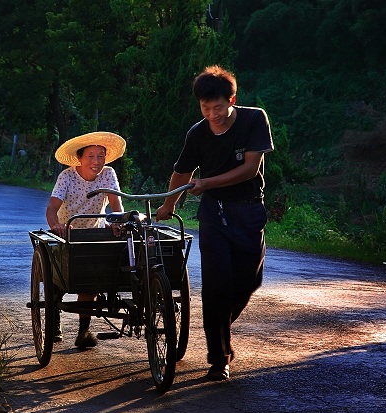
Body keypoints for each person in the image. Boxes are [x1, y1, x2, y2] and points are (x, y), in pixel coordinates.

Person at [155, 65, 274, 381]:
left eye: (218, 107)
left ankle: (220, 322)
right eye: (205, 108)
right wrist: (168, 204)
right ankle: (218, 358)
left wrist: (207, 183)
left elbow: (250, 169)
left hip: (248, 211)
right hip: (213, 217)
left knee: (249, 281)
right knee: (217, 285)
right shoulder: (197, 133)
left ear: (232, 98)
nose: (213, 114)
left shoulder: (253, 120)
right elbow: (182, 172)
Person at [46, 131, 126, 348]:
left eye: (101, 156)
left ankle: (83, 331)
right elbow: (52, 209)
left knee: (90, 281)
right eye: (91, 156)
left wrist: (118, 222)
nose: (96, 162)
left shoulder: (108, 174)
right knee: (59, 277)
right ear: (79, 158)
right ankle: (54, 321)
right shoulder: (67, 177)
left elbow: (117, 206)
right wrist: (57, 226)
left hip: (95, 232)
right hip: (68, 233)